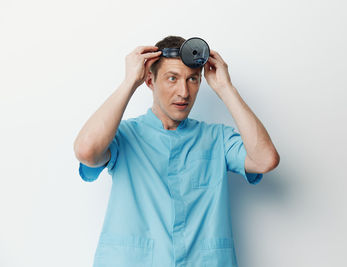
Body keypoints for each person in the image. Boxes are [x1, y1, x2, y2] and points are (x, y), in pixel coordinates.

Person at [73, 35, 280, 267]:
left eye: (193, 79)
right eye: (172, 78)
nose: (184, 92)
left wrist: (225, 88)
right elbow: (86, 150)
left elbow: (265, 160)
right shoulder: (124, 136)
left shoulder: (217, 138)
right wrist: (129, 81)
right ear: (150, 81)